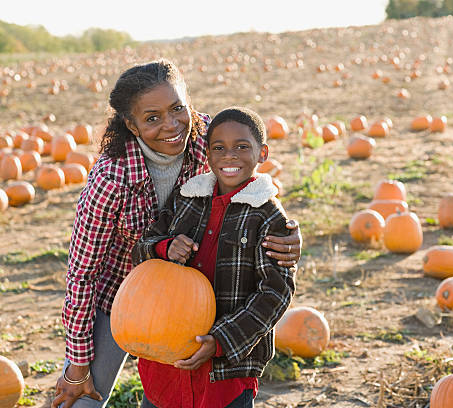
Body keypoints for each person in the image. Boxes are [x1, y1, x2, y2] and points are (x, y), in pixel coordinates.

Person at [52, 60, 302, 408]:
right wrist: (78, 364)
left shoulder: (209, 138)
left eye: (177, 109)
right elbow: (83, 273)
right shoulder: (111, 179)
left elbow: (251, 180)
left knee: (185, 385)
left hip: (191, 291)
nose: (171, 125)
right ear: (132, 124)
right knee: (83, 398)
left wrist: (288, 230)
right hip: (121, 290)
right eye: (152, 117)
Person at [131, 106, 295, 408]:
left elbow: (275, 292)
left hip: (226, 372)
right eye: (219, 148)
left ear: (263, 153)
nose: (229, 156)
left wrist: (221, 341)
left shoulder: (268, 218)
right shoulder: (186, 199)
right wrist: (164, 248)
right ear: (208, 154)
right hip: (166, 359)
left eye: (242, 147)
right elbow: (142, 247)